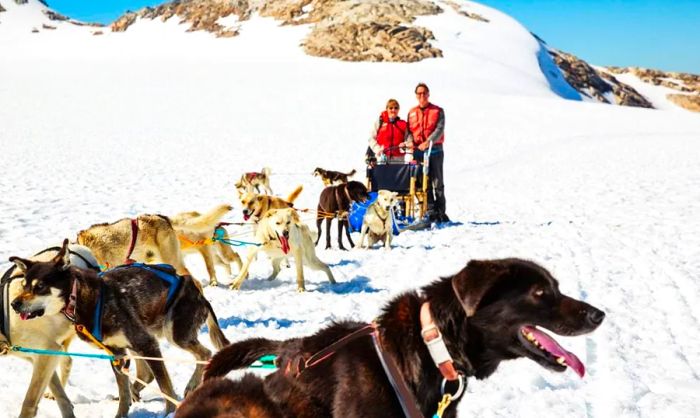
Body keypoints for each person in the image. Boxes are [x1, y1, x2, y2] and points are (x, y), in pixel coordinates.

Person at [407, 82, 449, 223]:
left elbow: (439, 128)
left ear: (428, 94)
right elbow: (409, 132)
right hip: (418, 153)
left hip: (435, 151)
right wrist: (410, 141)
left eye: (424, 93)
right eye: (419, 93)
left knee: (437, 182)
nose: (422, 95)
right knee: (423, 182)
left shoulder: (438, 111)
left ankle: (441, 212)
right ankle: (430, 211)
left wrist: (428, 142)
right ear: (416, 95)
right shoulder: (411, 112)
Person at [368, 99, 412, 165]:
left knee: (398, 175)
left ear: (398, 110)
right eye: (391, 108)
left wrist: (405, 145)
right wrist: (377, 149)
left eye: (396, 108)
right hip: (382, 158)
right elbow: (371, 138)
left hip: (398, 159)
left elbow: (409, 139)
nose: (393, 110)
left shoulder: (403, 124)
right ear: (387, 109)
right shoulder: (380, 123)